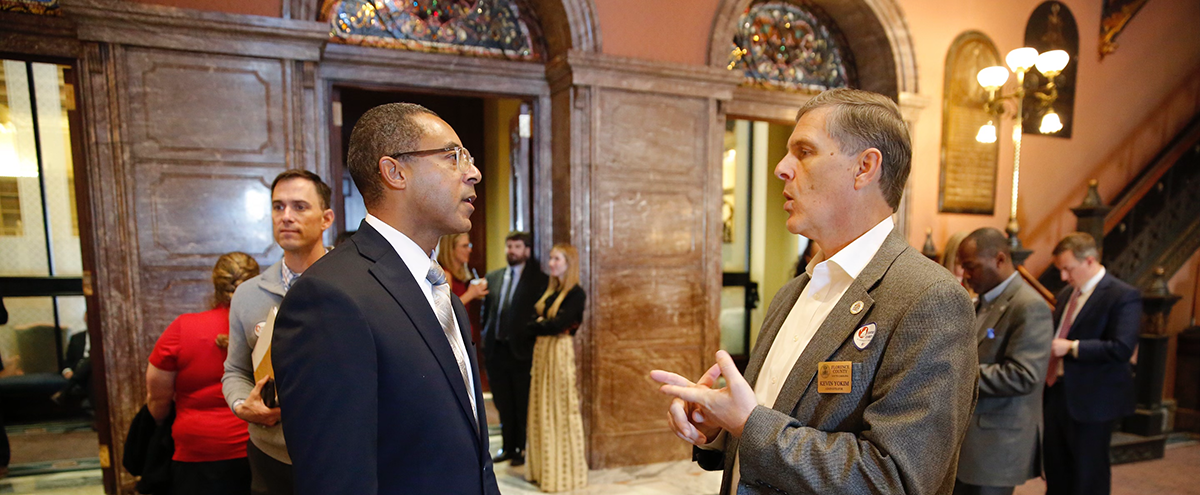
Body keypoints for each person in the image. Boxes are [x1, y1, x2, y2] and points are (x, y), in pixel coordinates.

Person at [650, 88, 977, 495]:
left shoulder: (929, 300)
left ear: (864, 168)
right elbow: (772, 422)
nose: (781, 168)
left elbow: (892, 480)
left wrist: (748, 423)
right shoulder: (793, 292)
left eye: (804, 152)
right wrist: (719, 425)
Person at [271, 103, 499, 495]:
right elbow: (338, 477)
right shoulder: (330, 297)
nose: (473, 172)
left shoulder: (440, 290)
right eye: (453, 157)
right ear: (395, 172)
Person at [222, 169, 334, 495]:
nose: (286, 216)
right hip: (270, 456)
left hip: (337, 454)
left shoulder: (355, 286)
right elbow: (235, 370)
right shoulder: (248, 294)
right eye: (278, 207)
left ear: (326, 219)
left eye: (300, 206)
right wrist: (242, 404)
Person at [146, 252, 260, 495]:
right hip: (257, 449)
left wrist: (160, 423)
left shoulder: (183, 328)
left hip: (197, 452)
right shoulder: (267, 329)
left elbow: (157, 400)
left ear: (215, 284)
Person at [953, 227, 1052, 495]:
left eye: (971, 266)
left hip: (995, 444)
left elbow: (1023, 375)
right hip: (969, 442)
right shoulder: (981, 303)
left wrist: (957, 373)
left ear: (999, 259)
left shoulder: (1029, 305)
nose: (965, 274)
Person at [1044, 232, 1141, 495]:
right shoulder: (1068, 293)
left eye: (1068, 269)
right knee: (1056, 470)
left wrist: (1073, 347)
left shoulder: (1122, 295)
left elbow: (1122, 348)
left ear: (1089, 260)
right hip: (1057, 393)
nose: (1063, 276)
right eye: (1060, 269)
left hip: (1093, 399)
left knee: (1088, 476)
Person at [481, 231, 549, 466]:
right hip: (495, 351)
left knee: (521, 402)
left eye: (517, 246)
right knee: (502, 402)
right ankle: (508, 447)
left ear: (527, 250)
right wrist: (485, 338)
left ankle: (521, 448)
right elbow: (487, 312)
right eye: (509, 246)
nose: (512, 251)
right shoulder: (493, 277)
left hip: (521, 352)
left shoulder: (539, 280)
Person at [525, 243, 588, 492]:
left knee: (559, 407)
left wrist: (541, 324)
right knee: (541, 405)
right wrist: (542, 324)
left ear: (568, 263)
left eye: (556, 259)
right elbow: (532, 321)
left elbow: (559, 325)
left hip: (559, 352)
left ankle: (563, 474)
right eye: (551, 258)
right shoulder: (550, 291)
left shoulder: (576, 294)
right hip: (543, 352)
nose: (551, 263)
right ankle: (542, 470)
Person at [437, 233, 489, 353]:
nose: (469, 250)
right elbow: (445, 310)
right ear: (451, 249)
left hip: (469, 333)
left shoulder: (461, 275)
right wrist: (471, 294)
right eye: (464, 246)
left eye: (469, 245)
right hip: (455, 339)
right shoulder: (445, 275)